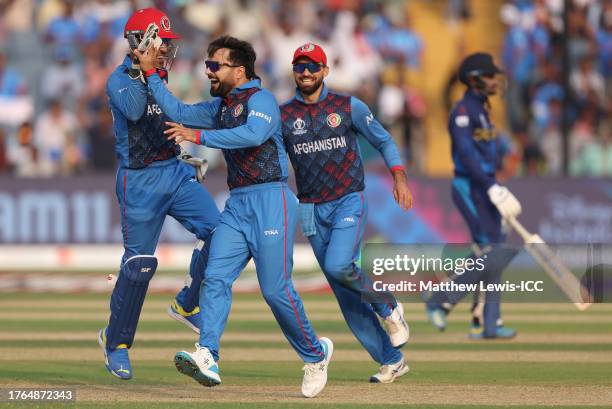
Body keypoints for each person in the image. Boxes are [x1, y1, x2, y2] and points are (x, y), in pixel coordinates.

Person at [136, 35, 333, 398]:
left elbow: (253, 135)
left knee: (275, 290)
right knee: (214, 277)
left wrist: (197, 136)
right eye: (207, 65)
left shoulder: (263, 101)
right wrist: (150, 74)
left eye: (215, 66)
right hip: (239, 204)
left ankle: (316, 355)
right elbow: (177, 111)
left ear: (238, 71)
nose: (208, 71)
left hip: (272, 200)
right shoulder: (221, 107)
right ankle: (207, 354)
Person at [97, 8, 221, 380]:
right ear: (140, 41)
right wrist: (148, 70)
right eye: (161, 41)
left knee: (223, 234)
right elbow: (136, 110)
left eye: (168, 42)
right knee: (139, 267)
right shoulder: (118, 80)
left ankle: (186, 304)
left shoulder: (159, 71)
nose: (166, 49)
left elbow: (169, 113)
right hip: (139, 182)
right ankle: (115, 342)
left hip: (175, 173)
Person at [279, 43, 412, 383]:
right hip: (310, 208)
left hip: (347, 200)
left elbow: (384, 140)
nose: (306, 72)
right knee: (344, 292)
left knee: (340, 266)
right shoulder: (283, 114)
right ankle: (391, 359)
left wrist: (399, 176)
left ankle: (387, 305)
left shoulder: (347, 106)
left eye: (313, 67)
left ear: (325, 71)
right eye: (300, 67)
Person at [425, 52, 521, 339]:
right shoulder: (464, 112)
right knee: (490, 251)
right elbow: (466, 155)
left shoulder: (482, 110)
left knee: (496, 251)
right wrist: (489, 185)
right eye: (490, 75)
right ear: (476, 79)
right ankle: (440, 299)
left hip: (486, 186)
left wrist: (495, 183)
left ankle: (489, 324)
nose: (496, 80)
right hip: (469, 186)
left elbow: (488, 152)